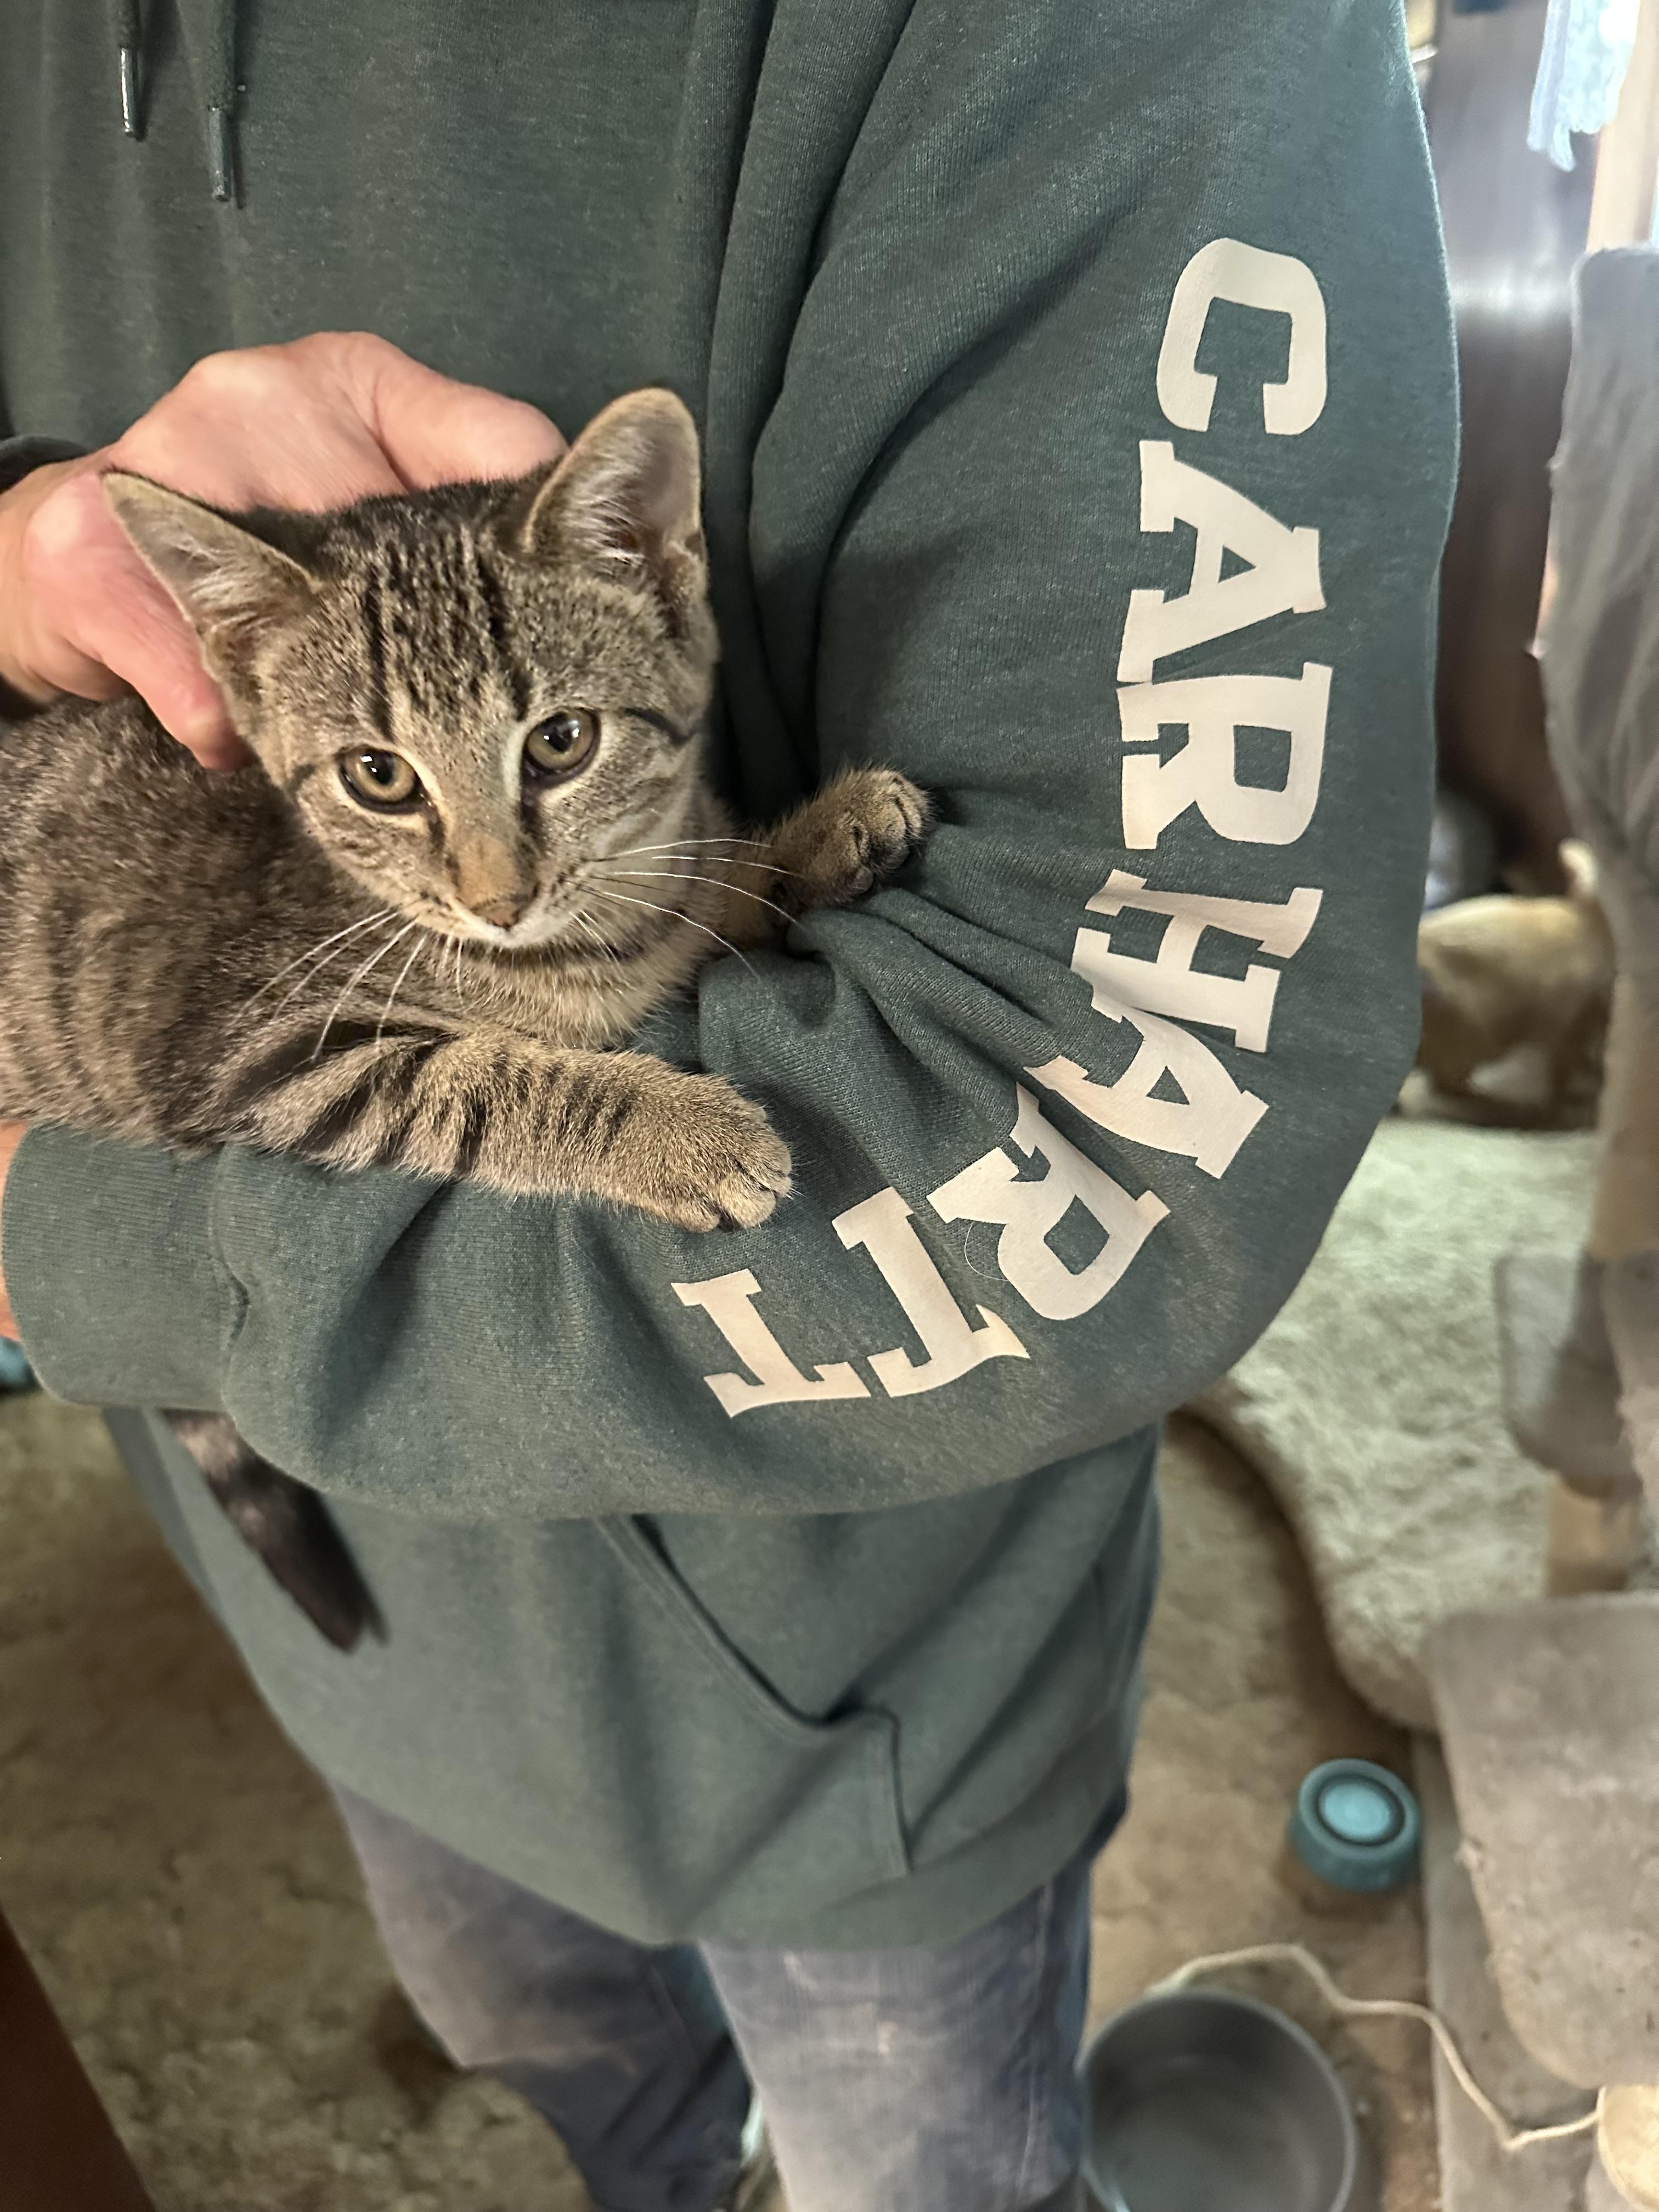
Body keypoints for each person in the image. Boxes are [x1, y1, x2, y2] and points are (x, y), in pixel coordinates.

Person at [0, 4, 1456, 2207]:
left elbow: (1102, 1112)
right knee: (591, 2102)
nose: (483, 882)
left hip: (846, 1730)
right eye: (392, 793)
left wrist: (61, 1231)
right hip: (350, 1630)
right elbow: (354, 1013)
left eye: (543, 771)